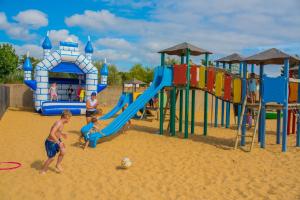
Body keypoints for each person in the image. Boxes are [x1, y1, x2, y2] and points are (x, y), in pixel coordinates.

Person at [40, 110, 72, 174]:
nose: (69, 120)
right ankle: (43, 170)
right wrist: (59, 142)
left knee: (63, 151)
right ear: (66, 117)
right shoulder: (59, 123)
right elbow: (52, 133)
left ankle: (58, 165)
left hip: (57, 140)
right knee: (51, 158)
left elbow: (57, 131)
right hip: (50, 142)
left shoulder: (61, 123)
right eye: (69, 118)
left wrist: (62, 134)